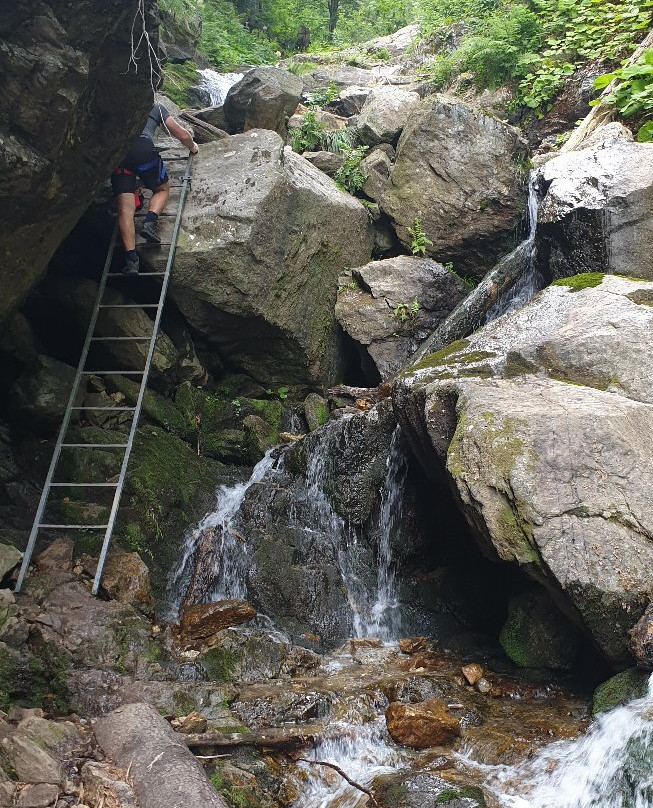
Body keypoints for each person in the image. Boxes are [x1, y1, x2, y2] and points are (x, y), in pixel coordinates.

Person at [111, 102, 199, 275]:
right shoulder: (156, 107)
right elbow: (180, 133)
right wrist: (192, 146)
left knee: (124, 209)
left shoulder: (117, 103)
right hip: (142, 150)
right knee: (162, 189)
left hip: (119, 155)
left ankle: (131, 261)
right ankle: (150, 222)